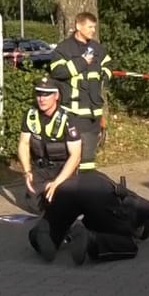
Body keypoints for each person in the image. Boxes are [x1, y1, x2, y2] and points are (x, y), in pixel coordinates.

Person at [18, 76, 90, 264]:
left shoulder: (67, 119)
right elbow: (24, 144)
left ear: (56, 96)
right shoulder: (30, 115)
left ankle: (63, 231)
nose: (42, 98)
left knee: (58, 199)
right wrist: (27, 171)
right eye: (39, 94)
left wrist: (58, 182)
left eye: (47, 95)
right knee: (36, 203)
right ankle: (66, 229)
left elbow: (75, 155)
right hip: (40, 168)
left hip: (62, 169)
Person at [49, 12, 113, 171]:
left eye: (94, 27)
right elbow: (57, 72)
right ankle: (68, 187)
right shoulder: (64, 48)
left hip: (93, 113)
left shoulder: (97, 48)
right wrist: (81, 62)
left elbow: (108, 65)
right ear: (78, 26)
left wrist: (104, 75)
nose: (93, 30)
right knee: (73, 156)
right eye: (90, 27)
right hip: (73, 113)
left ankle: (86, 187)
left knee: (89, 159)